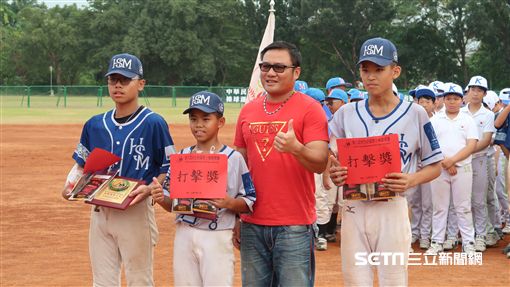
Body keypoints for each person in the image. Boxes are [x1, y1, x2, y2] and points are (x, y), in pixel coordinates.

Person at [328, 37, 442, 286]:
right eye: (365, 69)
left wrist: (411, 179)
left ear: (395, 71)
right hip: (354, 208)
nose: (370, 76)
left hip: (392, 206)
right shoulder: (347, 113)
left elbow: (435, 165)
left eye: (379, 69)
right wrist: (333, 170)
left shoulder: (415, 114)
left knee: (394, 280)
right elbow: (328, 151)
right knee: (355, 281)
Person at [61, 53, 175, 286]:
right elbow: (81, 165)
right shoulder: (94, 124)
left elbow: (169, 165)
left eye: (125, 80)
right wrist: (70, 184)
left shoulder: (154, 123)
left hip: (135, 210)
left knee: (139, 279)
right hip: (100, 212)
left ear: (140, 84)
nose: (118, 85)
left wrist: (152, 188)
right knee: (102, 282)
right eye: (113, 80)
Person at [234, 41, 329, 286]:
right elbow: (239, 167)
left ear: (296, 72)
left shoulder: (311, 109)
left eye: (279, 67)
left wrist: (296, 148)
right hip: (252, 223)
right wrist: (236, 217)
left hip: (294, 225)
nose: (270, 73)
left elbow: (320, 162)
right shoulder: (248, 111)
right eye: (265, 66)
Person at [150, 91, 256, 286]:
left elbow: (250, 199)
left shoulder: (234, 159)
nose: (198, 124)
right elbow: (172, 204)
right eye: (193, 119)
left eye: (206, 118)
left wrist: (230, 203)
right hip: (185, 231)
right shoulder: (182, 157)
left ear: (220, 122)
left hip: (217, 234)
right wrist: (160, 197)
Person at [425, 83, 478, 256]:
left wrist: (452, 161)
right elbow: (430, 145)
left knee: (463, 207)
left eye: (455, 98)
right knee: (439, 207)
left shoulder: (467, 119)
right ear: (443, 100)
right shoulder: (434, 120)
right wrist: (444, 162)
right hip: (439, 169)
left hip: (462, 168)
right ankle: (437, 242)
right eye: (448, 98)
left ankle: (468, 243)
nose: (452, 102)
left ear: (462, 100)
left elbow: (471, 145)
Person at [461, 75, 496, 252]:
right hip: (462, 162)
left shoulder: (488, 114)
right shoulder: (460, 112)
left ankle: (480, 235)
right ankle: (466, 235)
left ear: (484, 93)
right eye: (473, 89)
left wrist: (466, 150)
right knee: (462, 201)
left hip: (479, 160)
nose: (475, 93)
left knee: (479, 200)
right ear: (467, 91)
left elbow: (486, 140)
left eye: (480, 90)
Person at [407, 87, 436, 249]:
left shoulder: (437, 121)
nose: (424, 104)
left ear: (434, 103)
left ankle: (425, 234)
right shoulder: (410, 120)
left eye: (427, 101)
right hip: (413, 165)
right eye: (421, 101)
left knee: (427, 202)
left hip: (429, 167)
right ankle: (414, 232)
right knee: (413, 201)